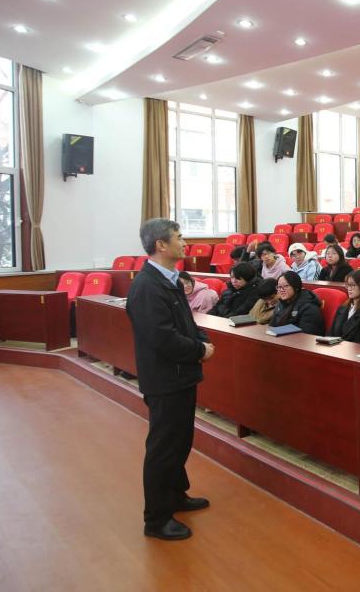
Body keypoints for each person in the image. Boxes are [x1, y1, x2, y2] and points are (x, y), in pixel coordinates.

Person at [126, 218, 214, 541]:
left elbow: (184, 323)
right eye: (179, 237)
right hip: (165, 379)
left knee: (180, 441)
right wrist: (199, 350)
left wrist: (200, 339)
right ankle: (157, 518)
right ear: (161, 245)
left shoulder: (170, 279)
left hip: (179, 376)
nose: (185, 242)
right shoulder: (148, 287)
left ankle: (176, 494)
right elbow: (162, 338)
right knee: (163, 448)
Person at [328, 270, 360, 343]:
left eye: (353, 285)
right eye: (348, 285)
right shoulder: (342, 308)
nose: (349, 289)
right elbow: (331, 333)